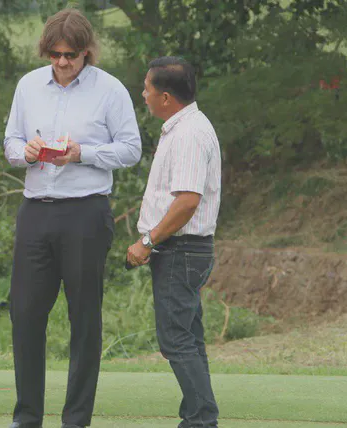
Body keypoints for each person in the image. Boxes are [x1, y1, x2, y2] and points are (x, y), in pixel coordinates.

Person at [3, 9, 142, 428]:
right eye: (55, 54)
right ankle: (27, 417)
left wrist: (83, 152)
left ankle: (76, 419)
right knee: (25, 313)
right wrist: (24, 151)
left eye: (71, 55)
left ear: (86, 52)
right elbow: (10, 141)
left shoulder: (110, 90)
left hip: (86, 210)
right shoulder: (29, 85)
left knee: (84, 317)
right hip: (35, 210)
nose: (63, 63)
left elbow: (131, 149)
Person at [127, 56, 222, 428]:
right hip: (185, 250)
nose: (144, 95)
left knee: (176, 340)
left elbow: (187, 201)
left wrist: (148, 241)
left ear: (165, 96)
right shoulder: (185, 127)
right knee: (188, 338)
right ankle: (198, 417)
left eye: (147, 89)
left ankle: (200, 420)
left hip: (181, 249)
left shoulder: (188, 134)